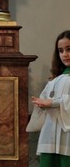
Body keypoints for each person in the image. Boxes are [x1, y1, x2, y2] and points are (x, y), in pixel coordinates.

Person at [31, 30, 70, 167]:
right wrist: (40, 102)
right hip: (50, 132)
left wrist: (53, 103)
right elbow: (45, 98)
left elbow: (53, 102)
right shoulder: (55, 79)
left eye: (69, 49)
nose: (64, 54)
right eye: (61, 50)